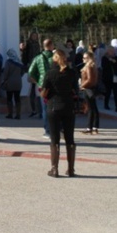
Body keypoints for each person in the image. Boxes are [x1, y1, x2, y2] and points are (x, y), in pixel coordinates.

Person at [41, 49, 78, 177]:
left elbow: (44, 93)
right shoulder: (72, 73)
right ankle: (71, 169)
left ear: (55, 59)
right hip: (68, 106)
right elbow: (75, 91)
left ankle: (54, 169)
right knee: (69, 138)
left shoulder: (50, 74)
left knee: (55, 139)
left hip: (53, 107)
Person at [28, 39, 55, 139]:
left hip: (42, 86)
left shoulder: (37, 58)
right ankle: (56, 128)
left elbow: (31, 72)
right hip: (54, 85)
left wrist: (38, 81)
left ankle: (47, 130)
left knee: (45, 108)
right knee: (55, 107)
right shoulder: (55, 57)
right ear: (51, 46)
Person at [79, 51, 99, 135]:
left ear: (89, 58)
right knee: (93, 108)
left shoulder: (88, 67)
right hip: (91, 88)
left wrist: (82, 85)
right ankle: (94, 127)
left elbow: (90, 79)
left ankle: (89, 128)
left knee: (90, 108)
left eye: (85, 58)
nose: (83, 59)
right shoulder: (93, 66)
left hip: (87, 89)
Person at [1, 48, 25, 119]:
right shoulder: (19, 62)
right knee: (17, 98)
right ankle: (18, 114)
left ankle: (10, 114)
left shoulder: (8, 62)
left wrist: (5, 80)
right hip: (18, 82)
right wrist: (18, 76)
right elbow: (23, 71)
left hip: (10, 83)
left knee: (9, 98)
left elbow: (6, 72)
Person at [22, 31, 41, 117]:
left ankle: (37, 110)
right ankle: (34, 110)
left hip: (36, 66)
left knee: (36, 90)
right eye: (33, 35)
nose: (34, 37)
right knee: (33, 90)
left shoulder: (37, 44)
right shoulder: (28, 44)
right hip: (31, 65)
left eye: (35, 36)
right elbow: (25, 55)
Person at [101, 46, 117, 112]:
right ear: (108, 51)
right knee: (108, 92)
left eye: (113, 51)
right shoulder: (104, 58)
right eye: (111, 51)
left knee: (116, 92)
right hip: (107, 78)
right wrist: (110, 61)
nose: (113, 52)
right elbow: (104, 66)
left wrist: (114, 61)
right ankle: (106, 104)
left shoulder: (115, 58)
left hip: (115, 77)